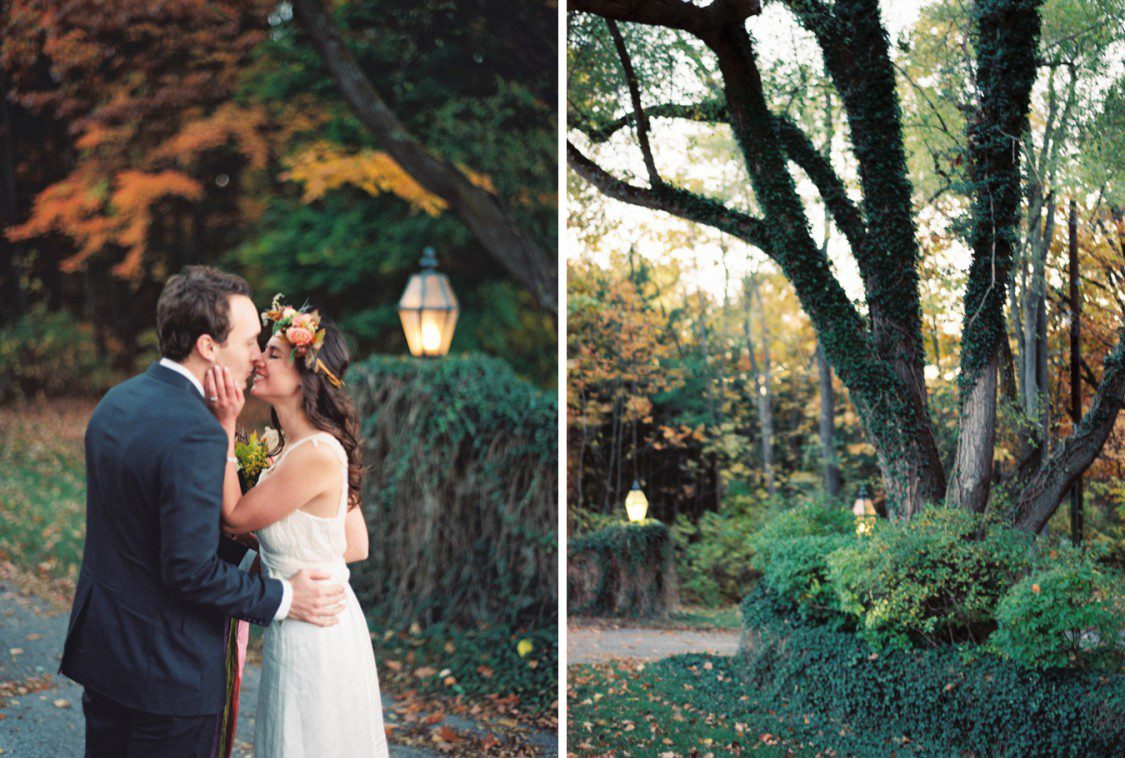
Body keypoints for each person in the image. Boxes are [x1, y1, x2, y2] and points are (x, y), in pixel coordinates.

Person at [59, 266, 347, 757]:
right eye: (250, 341)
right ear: (208, 347)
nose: (258, 355)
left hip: (105, 655)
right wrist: (283, 598)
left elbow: (141, 527)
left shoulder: (117, 401)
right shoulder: (196, 431)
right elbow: (189, 571)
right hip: (167, 675)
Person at [204, 295, 389, 756]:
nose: (257, 360)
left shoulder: (318, 453)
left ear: (305, 374)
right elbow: (353, 543)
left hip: (317, 633)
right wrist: (289, 562)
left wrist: (226, 424)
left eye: (273, 354)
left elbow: (232, 516)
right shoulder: (291, 447)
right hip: (303, 615)